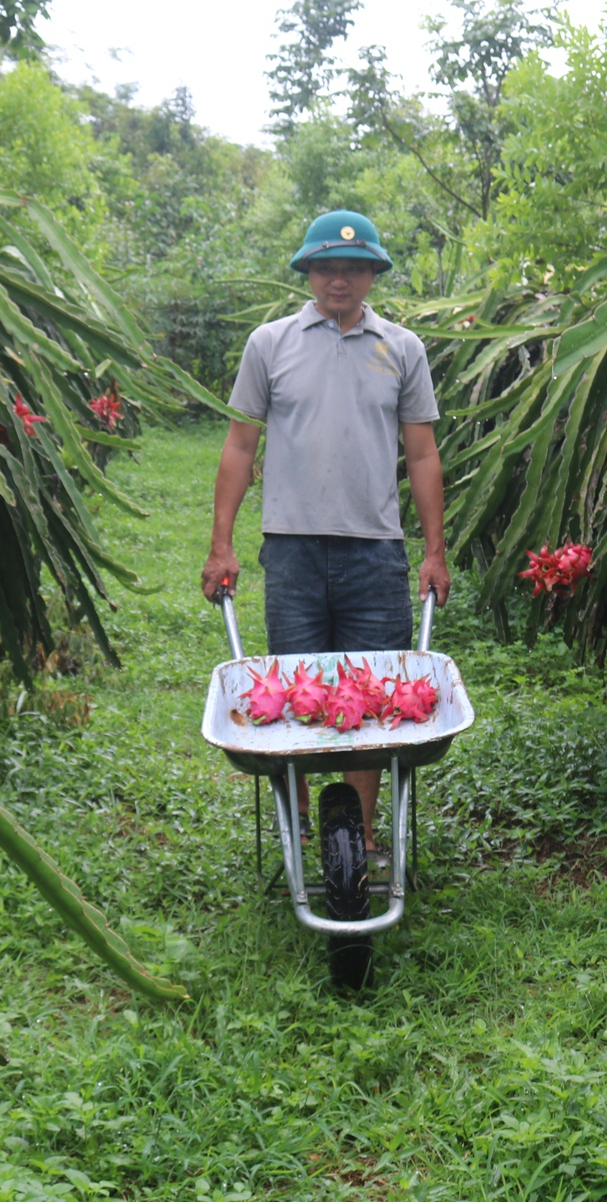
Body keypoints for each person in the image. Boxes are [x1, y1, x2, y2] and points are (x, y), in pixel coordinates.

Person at [201, 210, 449, 867]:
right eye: (326, 267)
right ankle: (304, 818)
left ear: (373, 274)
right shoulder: (270, 344)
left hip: (375, 550)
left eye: (354, 267)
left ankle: (361, 831)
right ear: (307, 273)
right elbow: (239, 444)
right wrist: (221, 544)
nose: (339, 279)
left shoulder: (402, 349)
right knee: (296, 695)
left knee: (370, 704)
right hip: (292, 550)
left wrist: (434, 551)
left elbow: (422, 455)